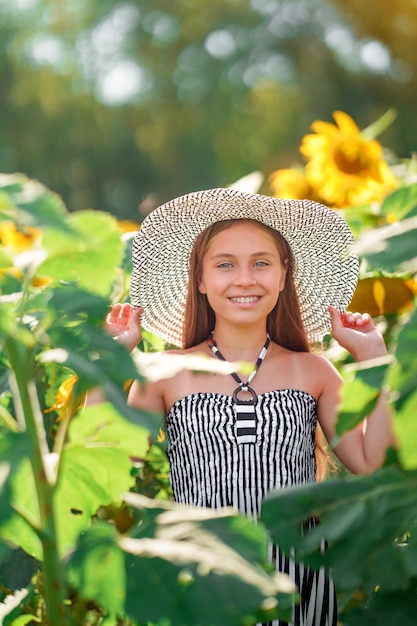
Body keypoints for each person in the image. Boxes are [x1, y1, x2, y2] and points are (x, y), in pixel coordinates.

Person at [95, 188, 395, 626]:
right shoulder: (164, 372)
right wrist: (105, 363)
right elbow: (107, 467)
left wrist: (376, 361)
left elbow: (371, 462)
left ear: (283, 273)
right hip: (202, 574)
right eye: (224, 265)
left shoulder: (313, 372)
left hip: (299, 578)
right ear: (199, 279)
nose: (245, 279)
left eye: (261, 262)